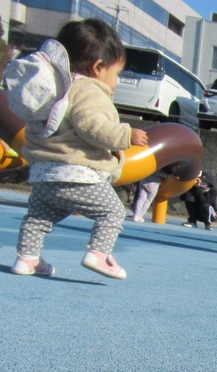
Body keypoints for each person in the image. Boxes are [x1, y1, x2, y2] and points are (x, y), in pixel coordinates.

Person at [9, 19, 148, 279]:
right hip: (76, 173)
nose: (116, 81)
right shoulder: (88, 90)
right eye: (117, 73)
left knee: (38, 217)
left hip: (42, 174)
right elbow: (92, 127)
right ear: (98, 68)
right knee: (112, 211)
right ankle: (99, 254)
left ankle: (27, 259)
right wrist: (127, 135)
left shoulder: (55, 89)